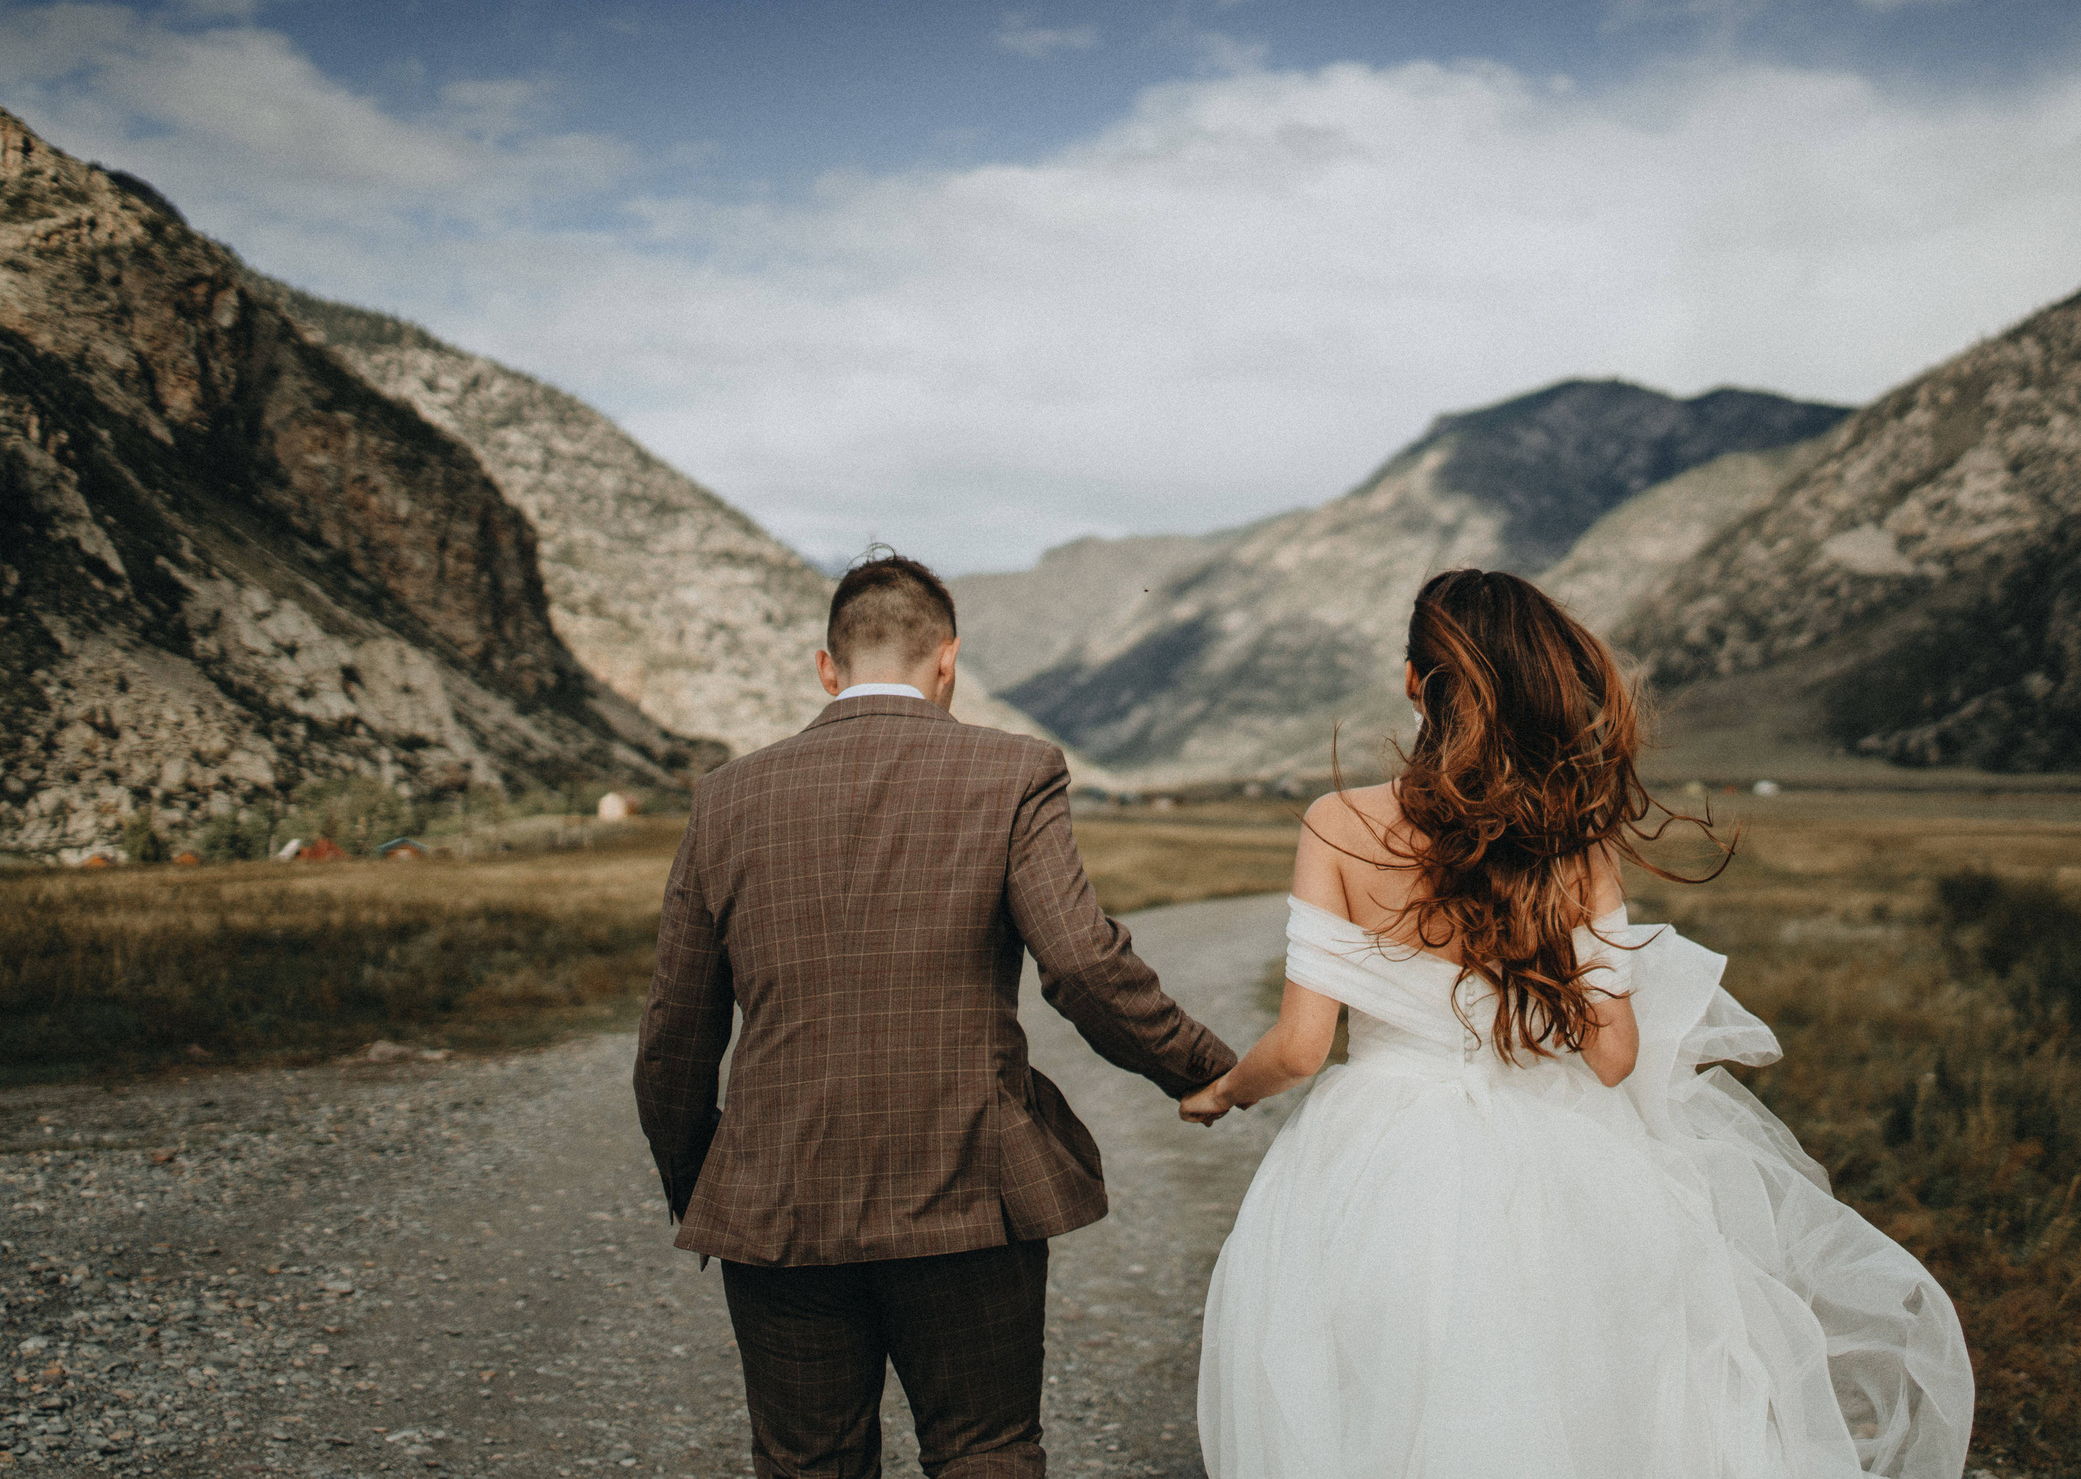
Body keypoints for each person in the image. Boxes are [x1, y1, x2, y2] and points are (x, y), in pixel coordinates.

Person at [1184, 569, 1973, 1478]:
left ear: (1414, 681)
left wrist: (1222, 1091)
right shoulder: (1574, 843)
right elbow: (1613, 1055)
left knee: (1374, 1397)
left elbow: (1298, 1048)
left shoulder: (1337, 822)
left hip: (1376, 1153)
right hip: (1557, 1153)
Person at [634, 550, 1237, 1479]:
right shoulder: (1014, 771)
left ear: (826, 666)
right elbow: (1080, 963)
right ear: (947, 660)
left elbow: (675, 1032)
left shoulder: (725, 798)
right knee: (984, 1449)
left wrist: (708, 1184)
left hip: (777, 1195)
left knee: (808, 1462)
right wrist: (1201, 1068)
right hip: (967, 1187)